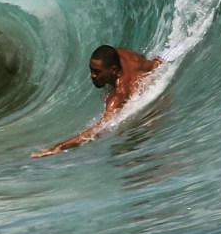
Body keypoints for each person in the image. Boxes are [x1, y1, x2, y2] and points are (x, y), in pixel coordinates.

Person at [31, 45, 163, 158]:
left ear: (113, 70)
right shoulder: (122, 54)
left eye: (97, 72)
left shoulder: (117, 96)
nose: (92, 76)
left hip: (155, 95)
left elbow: (98, 130)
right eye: (91, 69)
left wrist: (59, 147)